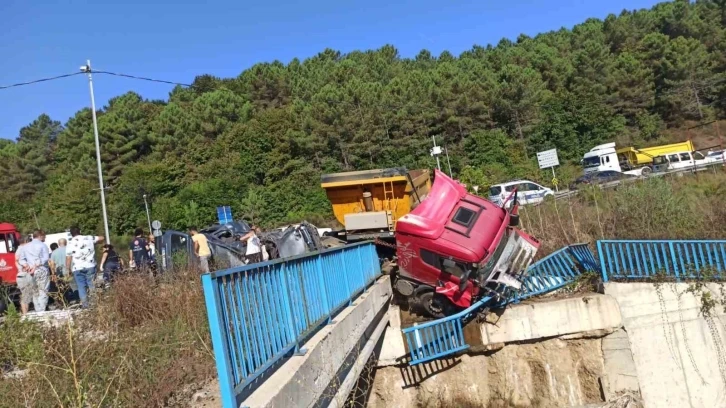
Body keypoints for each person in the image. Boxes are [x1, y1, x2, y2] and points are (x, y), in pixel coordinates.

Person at [65, 226, 104, 309]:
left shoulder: (70, 243)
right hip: (90, 266)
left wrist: (68, 269)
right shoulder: (88, 238)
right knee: (92, 284)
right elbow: (102, 238)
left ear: (71, 234)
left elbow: (68, 258)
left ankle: (85, 305)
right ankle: (94, 303)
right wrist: (95, 243)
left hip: (77, 268)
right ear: (80, 231)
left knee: (81, 287)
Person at [17, 229, 51, 312]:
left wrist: (27, 266)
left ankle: (37, 310)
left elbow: (21, 260)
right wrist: (37, 264)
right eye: (44, 236)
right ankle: (42, 311)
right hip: (41, 269)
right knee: (43, 290)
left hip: (30, 272)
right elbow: (46, 258)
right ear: (40, 236)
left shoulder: (25, 246)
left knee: (35, 292)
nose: (45, 238)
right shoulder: (42, 245)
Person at [14, 236, 33, 315]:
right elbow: (19, 260)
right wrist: (26, 266)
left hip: (20, 275)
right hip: (25, 274)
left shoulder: (18, 250)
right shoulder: (23, 249)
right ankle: (26, 314)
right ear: (25, 241)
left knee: (24, 295)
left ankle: (25, 314)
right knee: (27, 295)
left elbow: (16, 261)